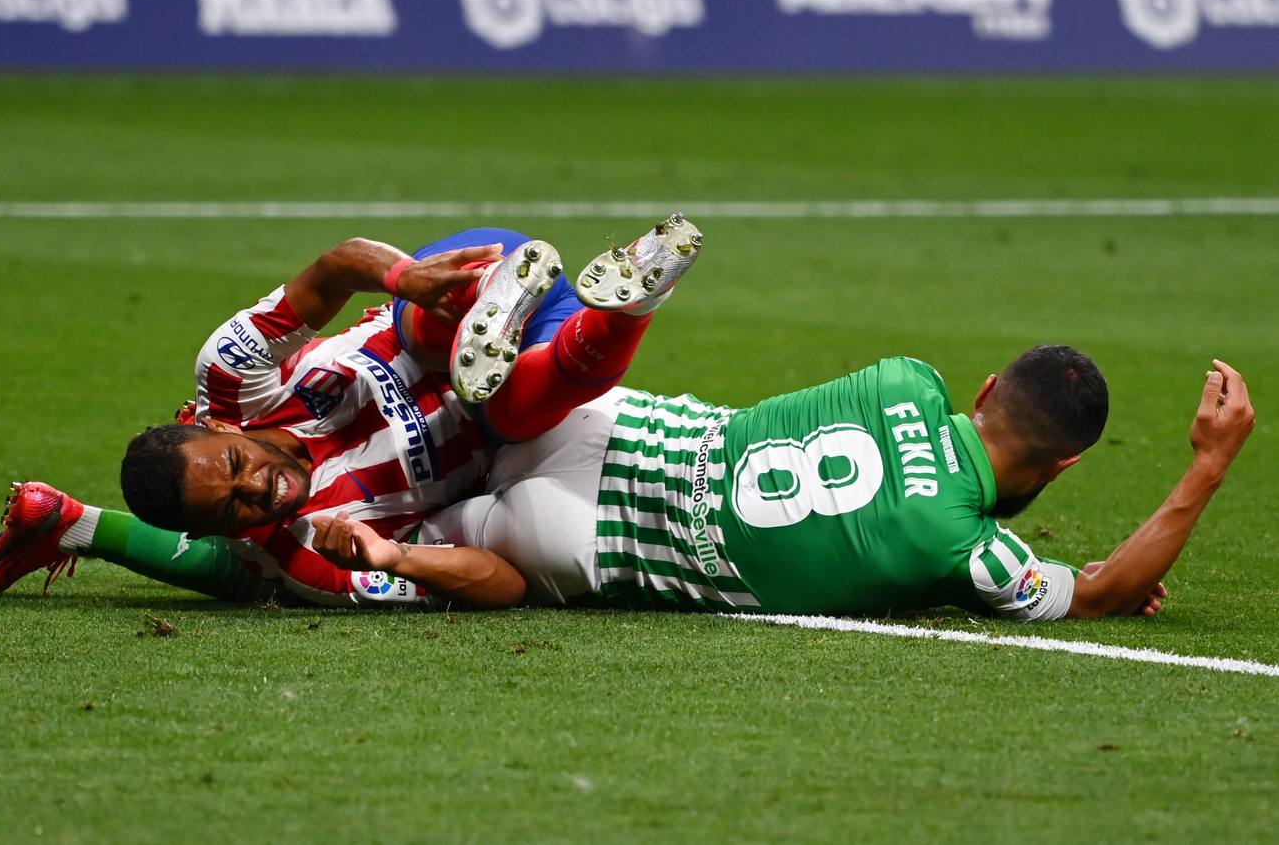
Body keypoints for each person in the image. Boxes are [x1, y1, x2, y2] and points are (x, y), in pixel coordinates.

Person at [0, 216, 706, 607]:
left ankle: (489, 305)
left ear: (220, 426)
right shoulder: (309, 559)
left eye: (235, 467)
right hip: (522, 389)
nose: (256, 490)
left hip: (461, 287)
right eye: (235, 510)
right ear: (216, 533)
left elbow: (335, 267)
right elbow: (505, 583)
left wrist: (406, 277)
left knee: (426, 334)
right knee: (511, 410)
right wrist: (397, 557)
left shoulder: (230, 375)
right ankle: (631, 302)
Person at [317, 351, 1254, 621]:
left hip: (611, 418)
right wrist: (1208, 463)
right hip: (578, 536)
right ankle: (370, 546)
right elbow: (1098, 595)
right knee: (340, 538)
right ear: (1066, 467)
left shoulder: (904, 378)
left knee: (402, 413)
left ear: (981, 391)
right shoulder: (962, 550)